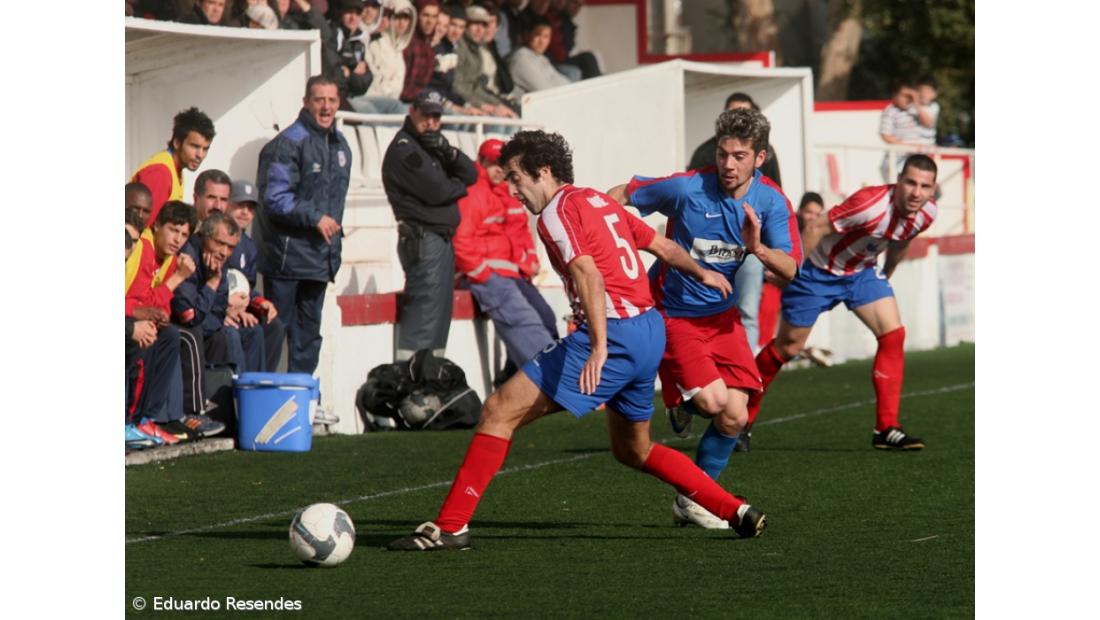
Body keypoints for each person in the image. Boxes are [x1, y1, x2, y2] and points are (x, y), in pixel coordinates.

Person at [386, 130, 764, 552]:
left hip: (615, 335)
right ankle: (734, 509)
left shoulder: (554, 214)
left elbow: (587, 272)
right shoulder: (598, 200)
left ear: (543, 171)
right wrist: (703, 272)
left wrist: (599, 345)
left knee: (497, 411)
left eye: (515, 178)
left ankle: (451, 526)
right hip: (648, 331)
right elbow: (659, 243)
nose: (511, 190)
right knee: (633, 450)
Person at [607, 108, 800, 529]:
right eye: (723, 153)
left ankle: (690, 501)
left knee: (737, 415)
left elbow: (790, 268)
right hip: (673, 314)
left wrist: (758, 248)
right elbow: (621, 194)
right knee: (713, 402)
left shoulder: (772, 201)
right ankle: (677, 394)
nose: (728, 164)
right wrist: (599, 241)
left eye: (740, 156)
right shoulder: (686, 187)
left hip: (720, 317)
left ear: (760, 158)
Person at [746, 155, 941, 451]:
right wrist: (792, 270)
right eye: (910, 183)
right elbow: (814, 229)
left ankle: (886, 428)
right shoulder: (870, 204)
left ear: (932, 189)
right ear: (898, 181)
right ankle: (740, 420)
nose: (916, 192)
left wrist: (884, 276)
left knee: (893, 334)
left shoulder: (927, 213)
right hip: (816, 272)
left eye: (924, 186)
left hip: (861, 273)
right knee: (788, 347)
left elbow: (902, 240)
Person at [256, 75, 352, 425]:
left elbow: (336, 208)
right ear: (306, 101)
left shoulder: (341, 146)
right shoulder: (287, 143)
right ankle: (259, 408)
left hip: (319, 259)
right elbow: (274, 198)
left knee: (309, 336)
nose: (325, 106)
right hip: (285, 258)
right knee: (274, 332)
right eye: (318, 99)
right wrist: (315, 218)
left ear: (338, 102)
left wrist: (333, 248)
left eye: (331, 99)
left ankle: (302, 407)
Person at [381, 89, 478, 361]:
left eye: (437, 117)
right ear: (412, 112)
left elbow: (471, 173)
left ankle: (431, 379)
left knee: (439, 317)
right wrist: (457, 186)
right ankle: (409, 380)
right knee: (424, 316)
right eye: (426, 116)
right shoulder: (405, 149)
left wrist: (447, 150)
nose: (432, 122)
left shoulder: (432, 144)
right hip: (423, 240)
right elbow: (438, 191)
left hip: (440, 240)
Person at [686, 93, 782, 358]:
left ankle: (744, 375)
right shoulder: (705, 152)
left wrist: (769, 253)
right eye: (723, 156)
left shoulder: (768, 154)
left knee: (747, 310)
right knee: (706, 308)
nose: (729, 164)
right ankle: (707, 371)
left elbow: (776, 200)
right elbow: (689, 198)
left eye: (746, 113)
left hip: (750, 246)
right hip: (709, 243)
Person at [453, 138, 555, 378]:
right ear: (480, 162)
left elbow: (520, 234)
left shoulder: (504, 194)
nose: (498, 169)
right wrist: (481, 273)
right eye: (492, 163)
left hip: (511, 273)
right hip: (489, 274)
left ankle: (514, 379)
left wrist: (529, 262)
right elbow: (462, 240)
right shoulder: (473, 193)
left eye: (502, 163)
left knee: (547, 320)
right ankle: (538, 380)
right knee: (525, 321)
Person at [125, 200, 217, 442]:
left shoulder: (168, 257)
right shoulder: (143, 249)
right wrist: (177, 278)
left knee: (169, 335)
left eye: (184, 234)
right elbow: (135, 301)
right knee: (144, 337)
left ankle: (145, 419)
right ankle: (127, 421)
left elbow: (158, 304)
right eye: (173, 230)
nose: (178, 239)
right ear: (156, 226)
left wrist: (162, 316)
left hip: (133, 317)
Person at [227, 178, 286, 372]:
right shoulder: (219, 237)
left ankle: (262, 382)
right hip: (221, 307)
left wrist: (260, 302)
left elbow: (246, 286)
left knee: (275, 326)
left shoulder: (249, 245)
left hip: (242, 305)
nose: (245, 212)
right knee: (252, 330)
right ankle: (248, 386)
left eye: (250, 208)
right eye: (239, 205)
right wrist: (230, 306)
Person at [131, 107, 216, 226]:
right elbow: (143, 227)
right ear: (177, 143)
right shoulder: (161, 173)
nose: (200, 155)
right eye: (194, 146)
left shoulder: (177, 170)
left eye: (205, 149)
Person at [453, 5, 519, 118]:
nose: (479, 29)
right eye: (475, 23)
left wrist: (498, 104)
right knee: (497, 123)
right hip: (458, 102)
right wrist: (483, 105)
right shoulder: (459, 46)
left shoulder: (477, 49)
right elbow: (457, 86)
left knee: (511, 115)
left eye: (484, 25)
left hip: (472, 101)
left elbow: (476, 87)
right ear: (466, 25)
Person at [354, 0, 414, 114]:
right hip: (368, 98)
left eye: (406, 18)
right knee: (399, 109)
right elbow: (373, 79)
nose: (385, 20)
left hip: (388, 100)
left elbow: (397, 83)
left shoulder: (398, 48)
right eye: (397, 18)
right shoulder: (372, 41)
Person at [324, 0, 372, 109]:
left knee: (395, 107)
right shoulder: (332, 35)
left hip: (356, 96)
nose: (353, 18)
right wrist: (353, 73)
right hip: (338, 98)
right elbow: (334, 75)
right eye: (349, 13)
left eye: (357, 14)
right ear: (341, 14)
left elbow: (366, 81)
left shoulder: (361, 40)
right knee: (370, 110)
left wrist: (349, 73)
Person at [507, 17, 571, 97]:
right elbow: (544, 90)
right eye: (538, 35)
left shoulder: (541, 58)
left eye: (546, 36)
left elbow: (563, 82)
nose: (542, 41)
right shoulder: (520, 59)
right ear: (527, 35)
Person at [399, 0, 440, 105]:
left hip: (420, 102)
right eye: (425, 15)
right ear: (416, 16)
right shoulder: (407, 44)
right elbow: (405, 88)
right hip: (403, 102)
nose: (430, 21)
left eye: (434, 16)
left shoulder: (429, 48)